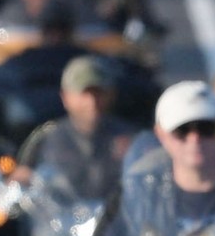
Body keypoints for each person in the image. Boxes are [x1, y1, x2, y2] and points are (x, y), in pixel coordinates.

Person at [82, 80, 215, 236]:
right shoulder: (140, 189)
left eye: (205, 128)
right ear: (161, 134)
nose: (195, 138)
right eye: (182, 130)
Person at [15, 54, 137, 205]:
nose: (92, 102)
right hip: (57, 225)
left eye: (98, 93)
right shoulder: (45, 139)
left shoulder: (130, 138)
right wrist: (3, 198)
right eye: (84, 94)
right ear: (65, 97)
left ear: (111, 94)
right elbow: (19, 182)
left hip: (114, 224)